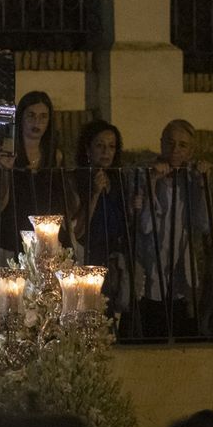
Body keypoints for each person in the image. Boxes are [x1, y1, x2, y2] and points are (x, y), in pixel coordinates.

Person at [134, 118, 213, 338]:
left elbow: (203, 224)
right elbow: (145, 225)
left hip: (180, 272)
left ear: (191, 151)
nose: (175, 150)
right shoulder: (144, 174)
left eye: (182, 145)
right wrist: (153, 182)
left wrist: (202, 185)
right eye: (170, 143)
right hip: (150, 269)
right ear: (161, 144)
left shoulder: (192, 179)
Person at [0, 90, 73, 255]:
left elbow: (62, 201)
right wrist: (4, 169)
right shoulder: (6, 154)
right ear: (21, 118)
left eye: (43, 117)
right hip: (11, 237)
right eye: (31, 115)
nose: (37, 122)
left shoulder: (55, 156)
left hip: (46, 239)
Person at [72, 121, 133, 315]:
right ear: (88, 150)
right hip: (89, 257)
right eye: (100, 146)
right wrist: (95, 193)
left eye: (111, 146)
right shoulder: (78, 179)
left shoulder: (118, 179)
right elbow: (78, 229)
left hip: (113, 259)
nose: (106, 152)